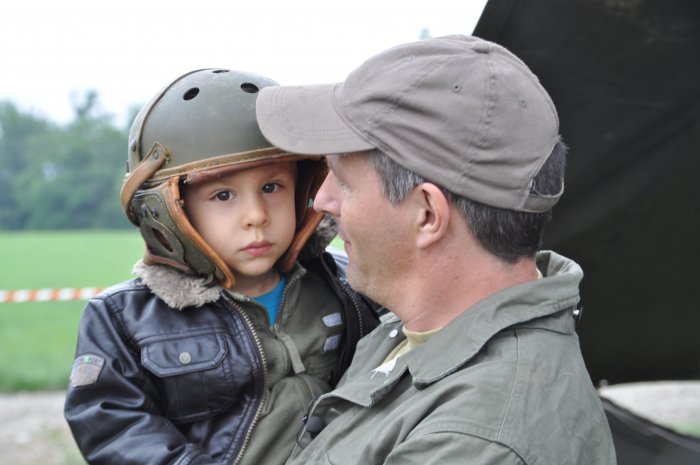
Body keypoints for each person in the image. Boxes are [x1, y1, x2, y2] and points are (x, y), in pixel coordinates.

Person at [255, 35, 617, 464]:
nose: (322, 201)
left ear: (427, 214)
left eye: (344, 182)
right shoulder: (420, 328)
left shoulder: (474, 442)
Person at [63, 68, 379, 465]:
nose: (256, 215)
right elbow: (113, 427)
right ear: (168, 211)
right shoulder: (123, 319)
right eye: (223, 195)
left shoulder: (348, 282)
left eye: (272, 187)